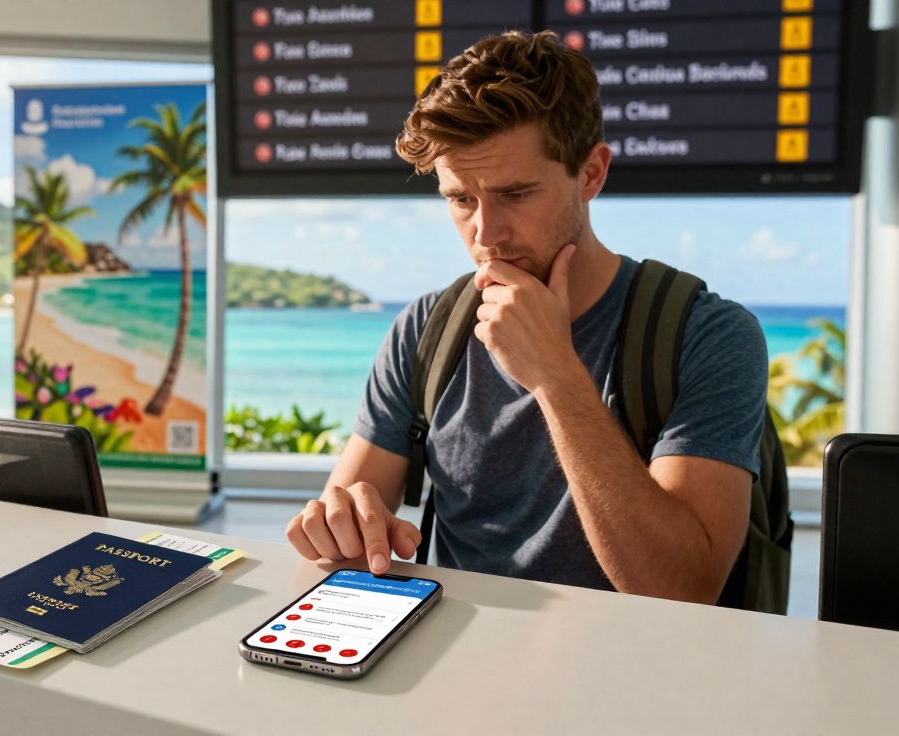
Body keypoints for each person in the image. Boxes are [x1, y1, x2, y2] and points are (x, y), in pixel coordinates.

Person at [284, 30, 768, 604]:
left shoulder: (707, 334)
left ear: (591, 174)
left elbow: (685, 589)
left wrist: (556, 376)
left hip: (632, 677)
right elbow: (345, 519)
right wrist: (340, 527)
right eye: (461, 200)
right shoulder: (426, 328)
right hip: (457, 668)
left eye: (515, 195)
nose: (486, 235)